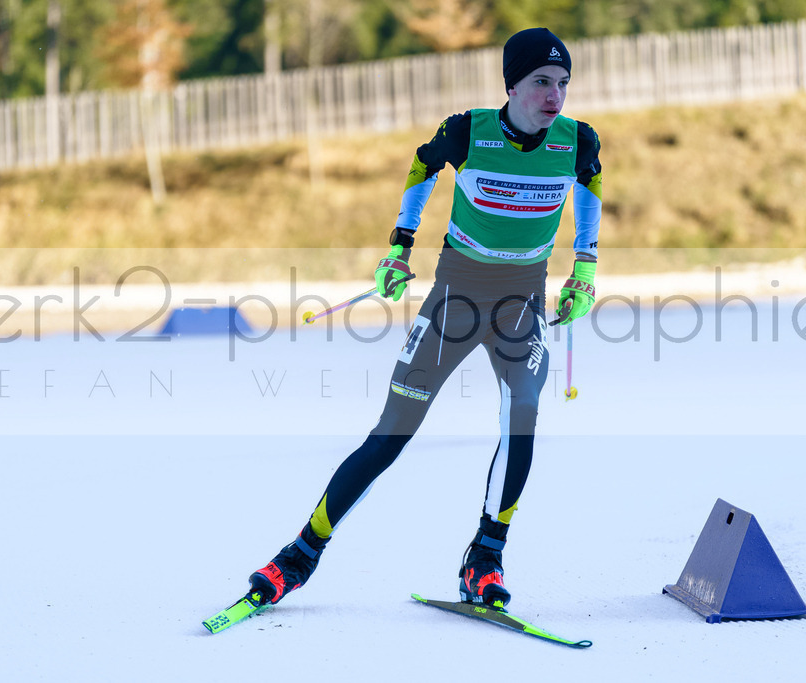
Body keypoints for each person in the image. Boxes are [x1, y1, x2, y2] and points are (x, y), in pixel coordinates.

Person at [247, 27, 603, 609]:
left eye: (563, 83)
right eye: (542, 82)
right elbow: (421, 167)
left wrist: (584, 271)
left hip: (522, 302)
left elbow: (589, 187)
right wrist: (399, 247)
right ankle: (299, 555)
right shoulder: (469, 130)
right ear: (512, 85)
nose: (555, 95)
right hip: (456, 299)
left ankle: (485, 560)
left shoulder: (578, 141)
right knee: (392, 433)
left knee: (525, 410)